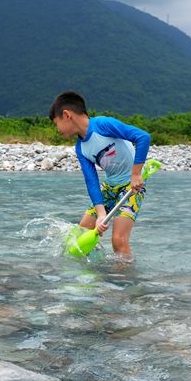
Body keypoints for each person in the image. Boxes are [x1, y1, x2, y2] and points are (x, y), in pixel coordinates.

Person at [49, 90, 151, 258]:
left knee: (118, 240)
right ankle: (94, 273)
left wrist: (136, 174)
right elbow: (91, 180)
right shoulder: (80, 148)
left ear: (66, 115)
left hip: (132, 186)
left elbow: (142, 137)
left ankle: (126, 281)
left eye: (56, 123)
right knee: (81, 232)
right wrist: (101, 214)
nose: (57, 129)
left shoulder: (103, 124)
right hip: (110, 186)